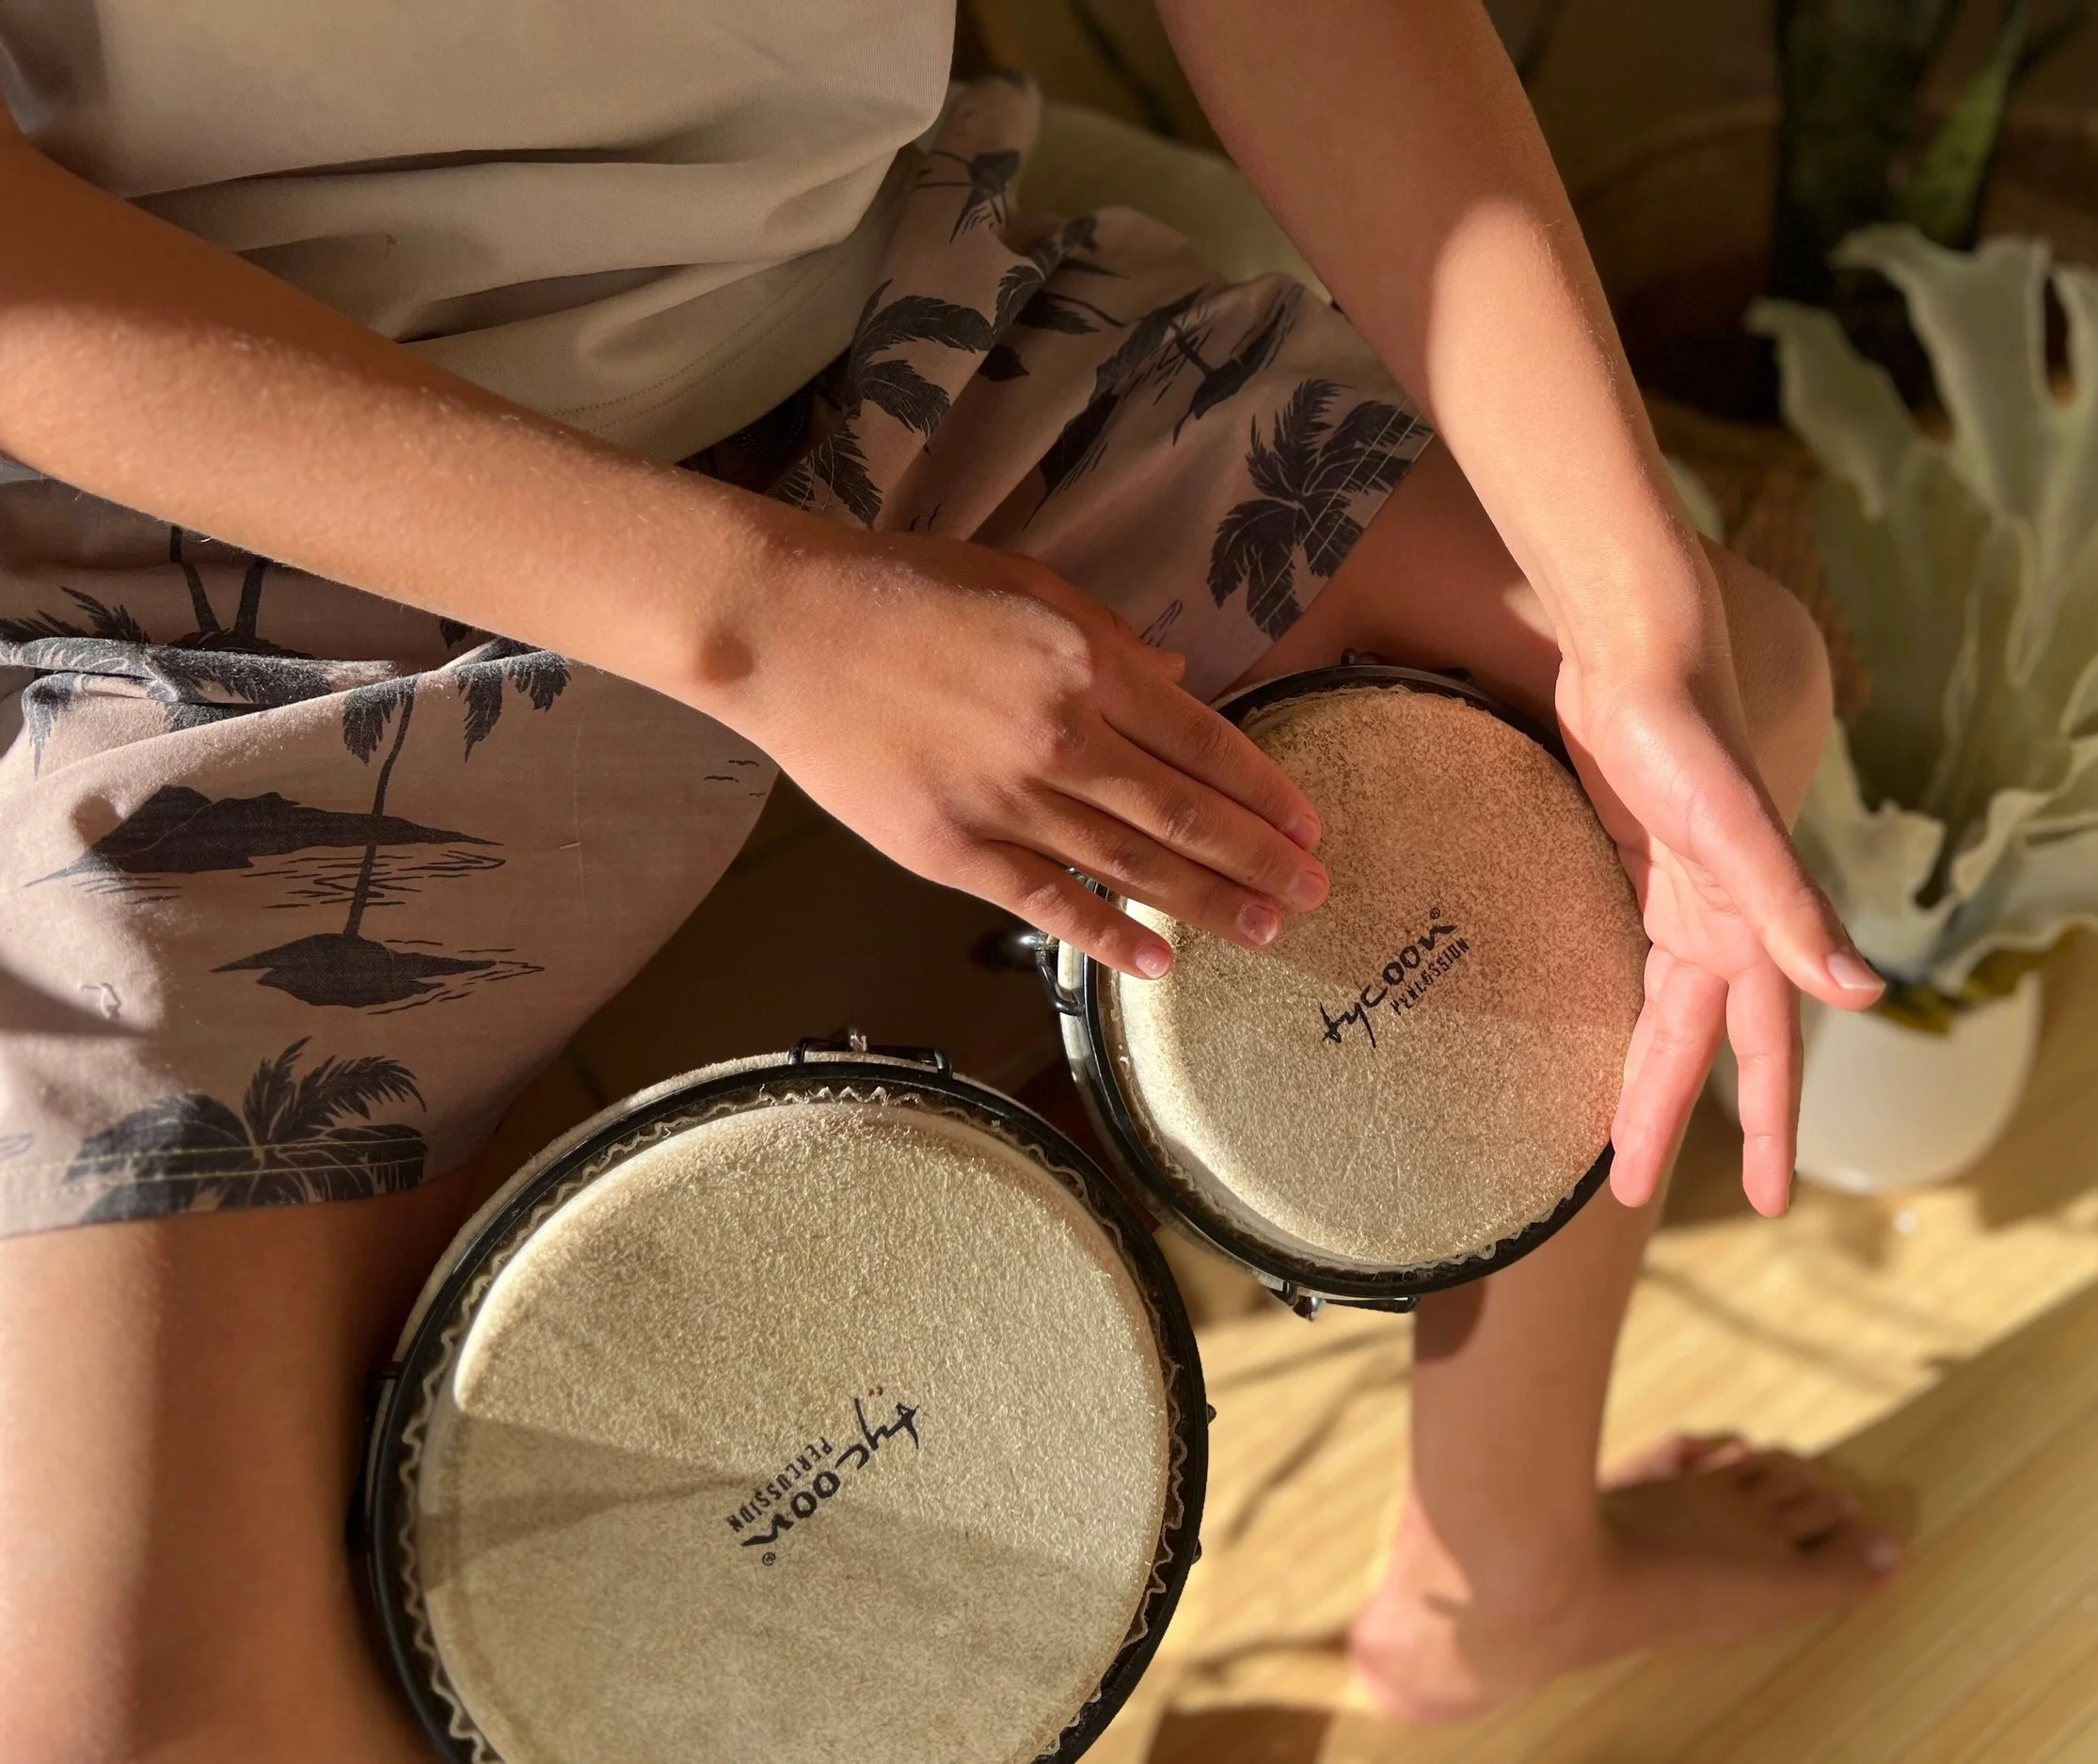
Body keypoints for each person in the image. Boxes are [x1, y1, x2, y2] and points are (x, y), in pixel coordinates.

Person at [0, 3, 1900, 1755]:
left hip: (856, 356)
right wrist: (753, 622)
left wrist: (1623, 610)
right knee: (132, 1718)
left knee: (1700, 691)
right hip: (188, 591)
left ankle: (1508, 1567)